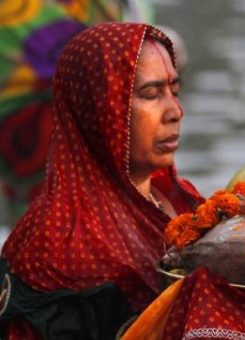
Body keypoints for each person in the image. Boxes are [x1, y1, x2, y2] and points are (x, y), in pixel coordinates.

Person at [0, 22, 203, 339]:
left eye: (174, 92)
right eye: (150, 94)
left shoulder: (184, 201)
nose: (175, 111)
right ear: (97, 107)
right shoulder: (54, 238)